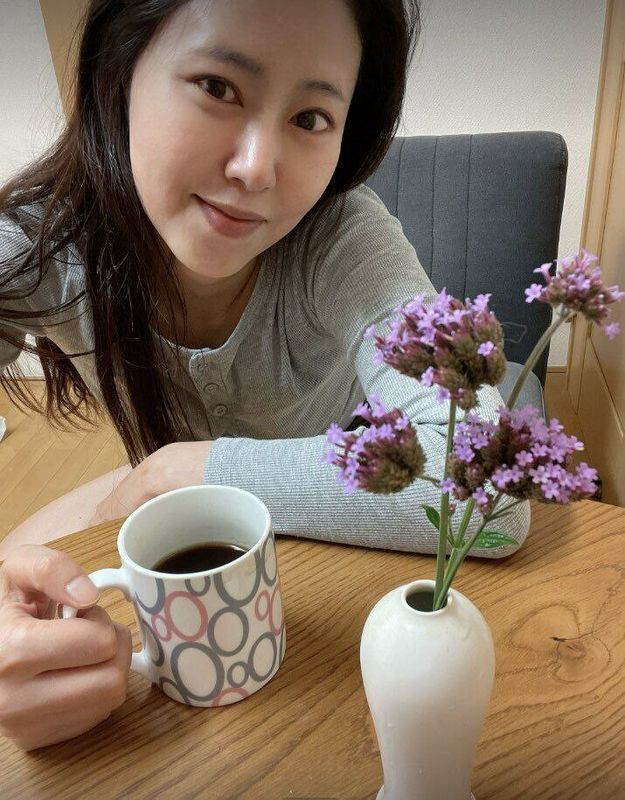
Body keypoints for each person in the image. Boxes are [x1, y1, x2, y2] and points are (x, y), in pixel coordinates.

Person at [0, 0, 529, 750]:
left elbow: (493, 490)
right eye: (217, 86)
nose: (256, 168)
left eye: (310, 117)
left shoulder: (344, 242)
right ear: (117, 71)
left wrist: (183, 472)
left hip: (340, 525)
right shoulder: (37, 243)